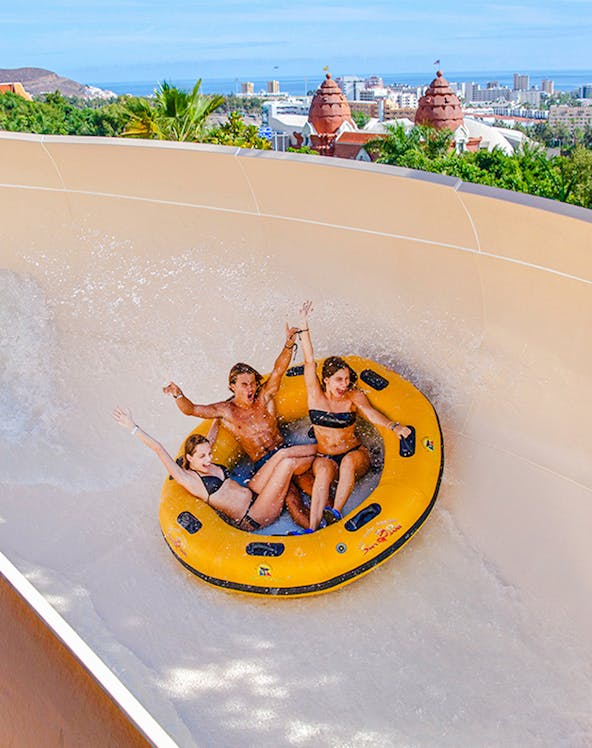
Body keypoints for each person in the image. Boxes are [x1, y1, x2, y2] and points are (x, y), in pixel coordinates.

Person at [162, 323, 316, 526]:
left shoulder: (264, 397)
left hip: (284, 449)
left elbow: (279, 370)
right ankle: (313, 532)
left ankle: (333, 517)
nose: (250, 388)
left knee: (311, 485)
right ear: (232, 386)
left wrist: (289, 343)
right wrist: (178, 394)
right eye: (244, 384)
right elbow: (191, 409)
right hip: (263, 464)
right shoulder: (226, 411)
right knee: (292, 497)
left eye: (252, 383)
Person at [299, 301, 412, 531]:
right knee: (321, 473)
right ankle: (312, 527)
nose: (345, 384)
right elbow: (309, 361)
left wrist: (393, 426)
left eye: (347, 379)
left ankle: (336, 513)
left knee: (348, 463)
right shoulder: (315, 395)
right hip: (326, 456)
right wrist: (304, 326)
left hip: (354, 454)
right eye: (339, 379)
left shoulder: (353, 397)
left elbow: (371, 413)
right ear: (326, 379)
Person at [112, 406, 315, 531]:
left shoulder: (203, 458)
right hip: (253, 515)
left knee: (281, 455)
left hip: (253, 491)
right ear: (189, 458)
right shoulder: (189, 479)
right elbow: (158, 448)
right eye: (202, 457)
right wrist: (132, 427)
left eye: (209, 454)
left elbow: (211, 435)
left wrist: (220, 414)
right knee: (287, 464)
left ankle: (322, 450)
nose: (208, 459)